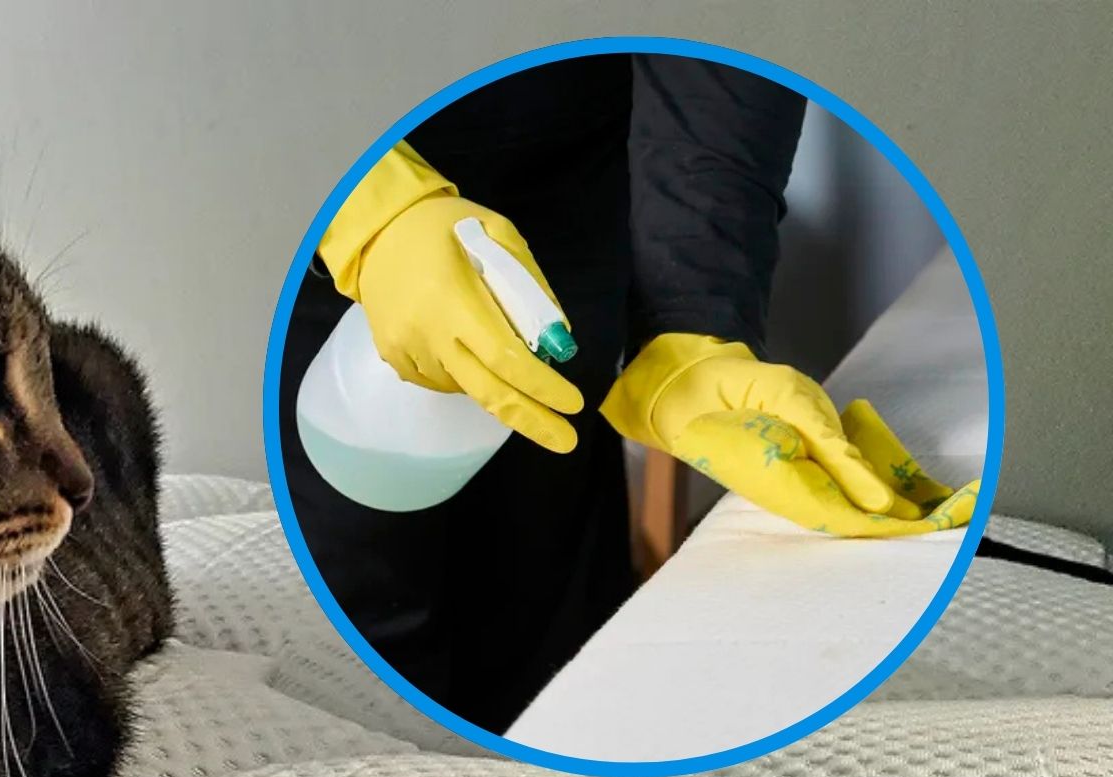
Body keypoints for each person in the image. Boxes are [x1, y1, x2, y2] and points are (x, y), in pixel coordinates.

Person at [279, 55, 974, 734]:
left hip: (564, 162)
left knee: (548, 593)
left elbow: (717, 45)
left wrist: (694, 324)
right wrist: (371, 208)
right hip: (341, 196)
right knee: (360, 602)